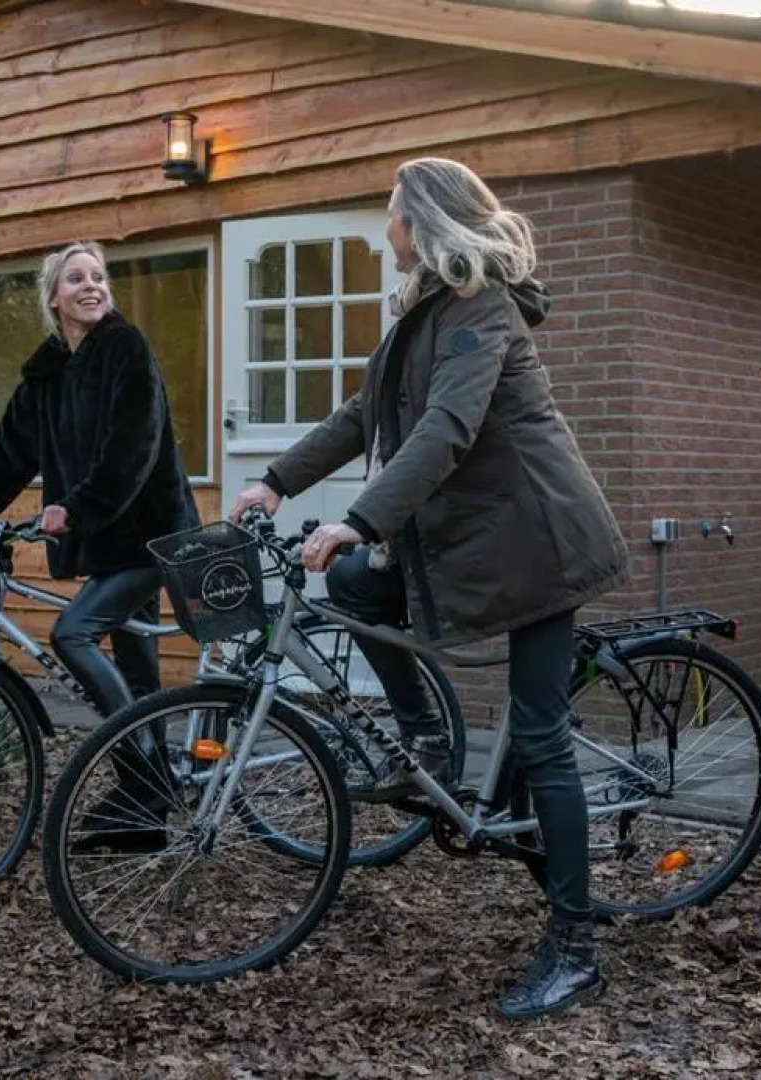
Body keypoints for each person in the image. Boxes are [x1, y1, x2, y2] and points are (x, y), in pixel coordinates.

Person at [228, 157, 629, 1021]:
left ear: (427, 220)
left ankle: (575, 949)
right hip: (488, 539)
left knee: (542, 737)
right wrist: (276, 482)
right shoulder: (427, 311)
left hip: (539, 541)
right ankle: (427, 742)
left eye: (392, 211)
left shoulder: (481, 310)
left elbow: (448, 429)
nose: (386, 226)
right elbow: (359, 416)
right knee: (354, 588)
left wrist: (361, 520)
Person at [0, 240, 199, 848]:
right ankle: (143, 818)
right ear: (53, 297)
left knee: (73, 633)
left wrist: (77, 509)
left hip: (150, 534)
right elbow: (7, 452)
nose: (91, 286)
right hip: (109, 541)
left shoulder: (125, 348)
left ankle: (149, 782)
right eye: (76, 278)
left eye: (98, 277)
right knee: (137, 674)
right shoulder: (48, 375)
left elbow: (134, 444)